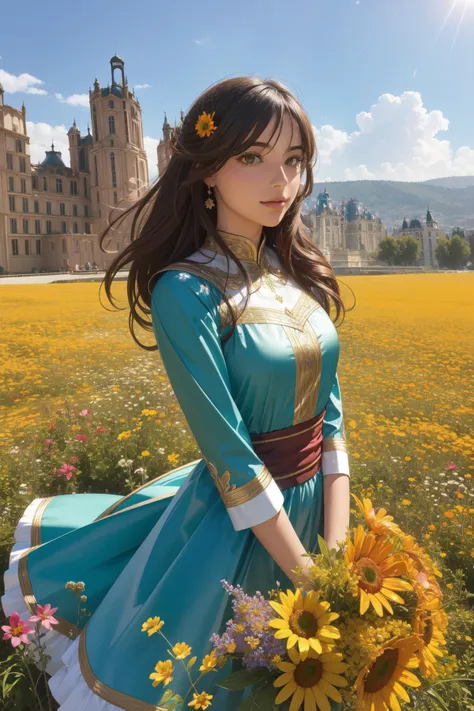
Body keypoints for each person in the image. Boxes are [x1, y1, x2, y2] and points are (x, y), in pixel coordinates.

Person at [2, 76, 351, 710]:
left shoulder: (296, 274)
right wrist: (311, 578)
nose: (282, 179)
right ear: (206, 170)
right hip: (237, 524)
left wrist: (341, 552)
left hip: (316, 516)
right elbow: (232, 457)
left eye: (294, 160)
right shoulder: (186, 291)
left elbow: (332, 424)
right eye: (253, 157)